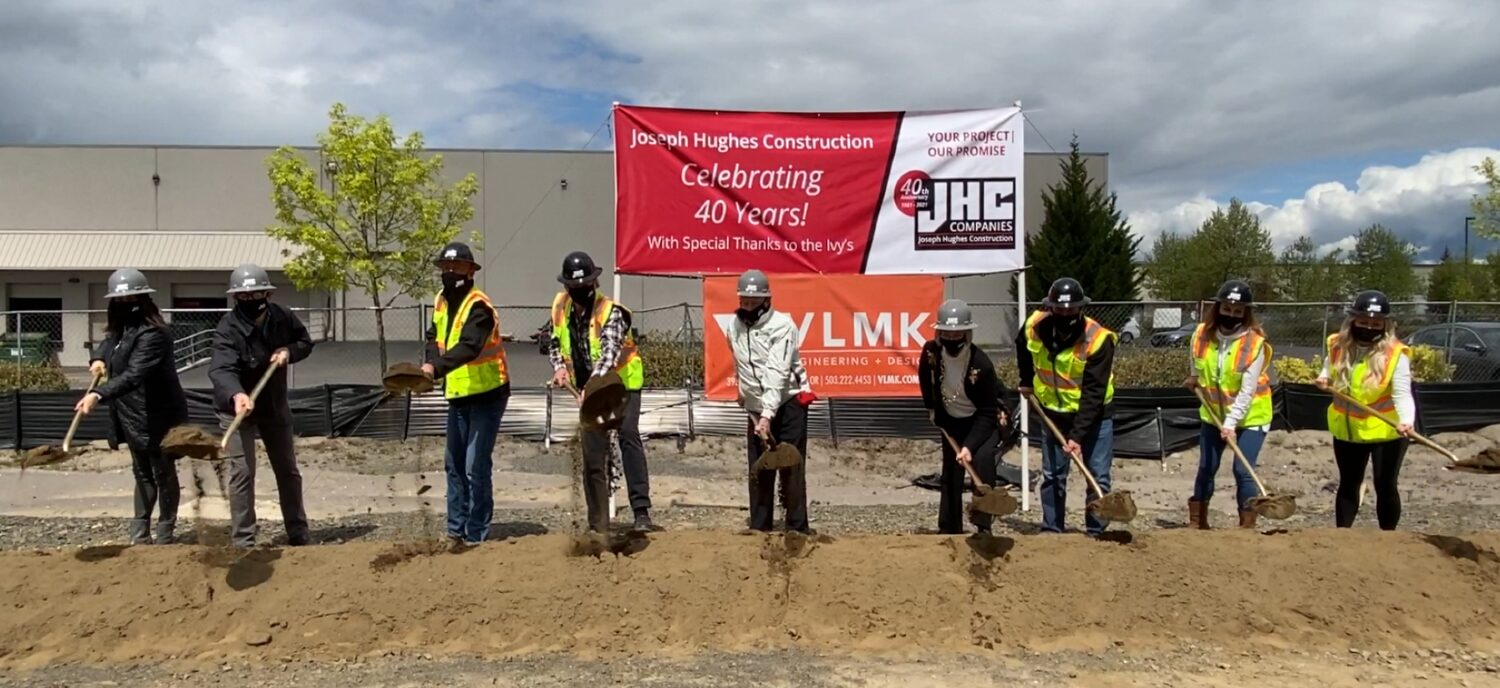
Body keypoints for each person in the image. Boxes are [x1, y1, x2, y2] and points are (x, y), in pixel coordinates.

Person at [76, 268, 189, 545]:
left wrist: (99, 395)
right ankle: (140, 531)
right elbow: (110, 341)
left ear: (143, 299)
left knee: (162, 471)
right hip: (130, 413)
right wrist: (99, 359)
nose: (124, 305)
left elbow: (135, 374)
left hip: (158, 413)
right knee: (141, 471)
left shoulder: (155, 334)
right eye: (119, 300)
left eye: (130, 299)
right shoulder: (124, 328)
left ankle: (165, 530)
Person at [208, 264, 314, 548]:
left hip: (273, 404)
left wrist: (288, 351)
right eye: (243, 296)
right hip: (236, 408)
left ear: (267, 293)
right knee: (242, 472)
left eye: (256, 294)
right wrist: (237, 395)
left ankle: (298, 531)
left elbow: (304, 341)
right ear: (235, 298)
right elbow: (221, 369)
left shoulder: (282, 317)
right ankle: (244, 539)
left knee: (287, 469)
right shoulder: (227, 328)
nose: (250, 300)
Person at [548, 251, 654, 532]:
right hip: (587, 388)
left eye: (585, 287)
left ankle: (641, 512)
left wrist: (593, 387)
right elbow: (554, 342)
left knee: (628, 434)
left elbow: (609, 354)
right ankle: (598, 522)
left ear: (593, 284)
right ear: (567, 288)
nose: (580, 292)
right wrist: (559, 367)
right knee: (593, 453)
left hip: (622, 385)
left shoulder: (612, 312)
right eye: (574, 288)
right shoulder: (560, 307)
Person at [423, 242, 511, 547]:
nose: (449, 273)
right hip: (458, 393)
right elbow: (435, 337)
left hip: (488, 393)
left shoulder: (479, 307)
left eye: (457, 268)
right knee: (454, 462)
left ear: (470, 271)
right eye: (446, 268)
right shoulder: (441, 302)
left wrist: (434, 369)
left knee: (475, 464)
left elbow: (470, 346)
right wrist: (427, 364)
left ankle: (476, 534)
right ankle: (455, 530)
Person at [1016, 277, 1118, 536]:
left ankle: (1096, 531)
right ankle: (1052, 529)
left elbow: (1094, 393)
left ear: (1080, 309)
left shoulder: (1098, 339)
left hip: (1095, 417)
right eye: (1059, 310)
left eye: (1070, 310)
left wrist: (1077, 436)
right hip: (1053, 413)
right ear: (1050, 308)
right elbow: (1021, 346)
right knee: (1053, 475)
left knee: (1097, 475)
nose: (1065, 314)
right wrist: (1027, 380)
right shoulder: (1034, 327)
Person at [1315, 289, 1414, 530]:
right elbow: (1328, 371)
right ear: (1353, 320)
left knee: (1385, 484)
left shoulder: (1394, 354)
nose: (1369, 327)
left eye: (1375, 323)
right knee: (1348, 483)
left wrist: (1406, 421)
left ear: (1385, 324)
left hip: (1386, 432)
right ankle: (1343, 536)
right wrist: (1323, 378)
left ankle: (1387, 537)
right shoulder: (1338, 345)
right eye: (1364, 321)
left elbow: (1402, 393)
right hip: (1349, 431)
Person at [725, 270, 814, 534]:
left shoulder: (783, 326)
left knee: (791, 464)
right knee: (759, 466)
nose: (748, 307)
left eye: (754, 303)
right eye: (744, 302)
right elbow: (737, 357)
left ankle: (797, 527)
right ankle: (759, 526)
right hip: (756, 406)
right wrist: (742, 391)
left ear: (766, 301)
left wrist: (767, 416)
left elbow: (777, 373)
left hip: (787, 402)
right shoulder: (734, 325)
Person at [1185, 280, 1273, 529]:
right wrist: (1193, 376)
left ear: (1245, 313)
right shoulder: (1202, 333)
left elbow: (1247, 390)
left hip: (1252, 416)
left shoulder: (1255, 344)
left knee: (1242, 470)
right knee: (1207, 466)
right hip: (1213, 413)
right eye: (1227, 308)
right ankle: (1198, 521)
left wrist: (1231, 423)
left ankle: (1246, 525)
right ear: (1218, 308)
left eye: (1237, 311)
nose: (1231, 315)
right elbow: (1196, 357)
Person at [918, 299, 1004, 535]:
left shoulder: (981, 364)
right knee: (951, 474)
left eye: (957, 334)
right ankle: (949, 527)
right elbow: (925, 378)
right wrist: (932, 409)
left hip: (980, 422)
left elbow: (988, 412)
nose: (952, 338)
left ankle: (983, 525)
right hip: (950, 420)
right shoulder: (930, 352)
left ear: (967, 333)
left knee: (983, 467)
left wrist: (969, 446)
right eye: (947, 333)